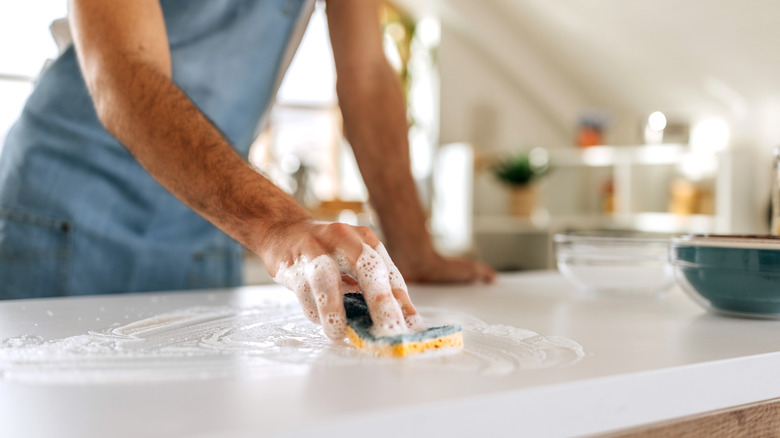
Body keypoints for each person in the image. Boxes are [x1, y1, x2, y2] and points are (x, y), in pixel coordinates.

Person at [0, 0, 494, 339]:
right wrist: (278, 224)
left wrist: (412, 246)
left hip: (205, 223)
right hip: (63, 210)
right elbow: (123, 69)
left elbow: (365, 74)